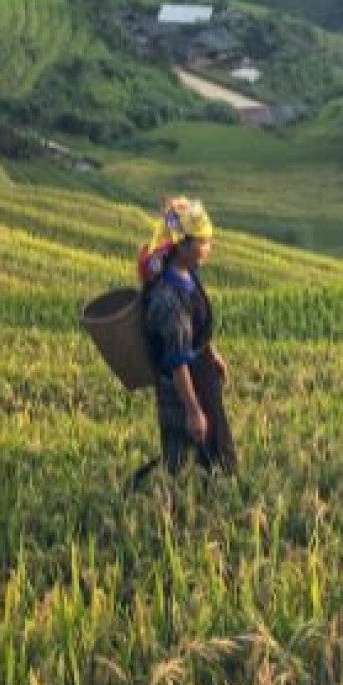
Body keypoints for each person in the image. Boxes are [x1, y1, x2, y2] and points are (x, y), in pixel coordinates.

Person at [131, 197, 238, 485]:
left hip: (201, 375)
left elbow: (196, 328)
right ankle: (164, 507)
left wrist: (211, 352)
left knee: (216, 455)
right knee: (181, 460)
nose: (208, 248)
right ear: (182, 245)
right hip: (182, 388)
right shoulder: (168, 298)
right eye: (203, 242)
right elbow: (177, 361)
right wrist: (193, 411)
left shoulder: (188, 274)